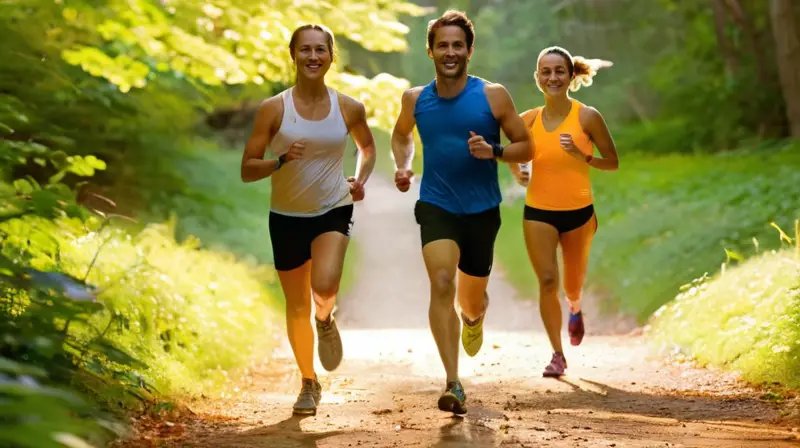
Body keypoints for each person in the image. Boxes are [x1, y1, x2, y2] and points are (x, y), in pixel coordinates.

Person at [391, 10, 531, 415]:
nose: (449, 52)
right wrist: (404, 165)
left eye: (457, 45)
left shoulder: (493, 95)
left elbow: (527, 147)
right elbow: (401, 136)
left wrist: (496, 151)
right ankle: (453, 380)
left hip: (482, 210)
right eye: (442, 45)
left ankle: (474, 318)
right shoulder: (415, 99)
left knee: (471, 301)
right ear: (430, 51)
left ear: (469, 50)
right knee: (440, 282)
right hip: (436, 203)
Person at [240, 24, 377, 416]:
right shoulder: (274, 109)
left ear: (332, 56)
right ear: (293, 55)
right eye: (305, 50)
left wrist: (360, 178)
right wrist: (281, 160)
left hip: (334, 205)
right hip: (286, 216)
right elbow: (247, 169)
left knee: (325, 284)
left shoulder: (348, 106)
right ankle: (308, 382)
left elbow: (366, 147)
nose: (313, 57)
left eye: (320, 50)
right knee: (295, 303)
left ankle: (326, 317)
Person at [508, 46, 619, 378]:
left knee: (571, 284)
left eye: (559, 71)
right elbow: (513, 155)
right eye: (546, 71)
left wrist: (583, 158)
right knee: (546, 280)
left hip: (579, 213)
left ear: (571, 76)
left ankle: (575, 306)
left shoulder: (587, 117)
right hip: (538, 211)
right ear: (537, 77)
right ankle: (557, 354)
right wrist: (519, 173)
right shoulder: (527, 120)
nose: (552, 77)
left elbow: (612, 162)